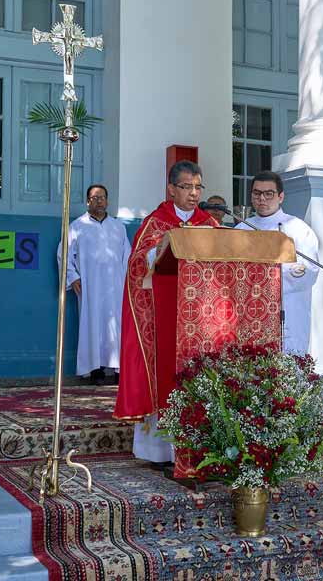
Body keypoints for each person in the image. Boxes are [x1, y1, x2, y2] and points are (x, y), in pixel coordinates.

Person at [114, 160, 218, 463]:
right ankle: (158, 452)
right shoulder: (156, 222)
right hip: (163, 313)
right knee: (165, 373)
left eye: (198, 187)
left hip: (198, 317)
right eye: (186, 186)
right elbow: (137, 265)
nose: (194, 193)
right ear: (171, 189)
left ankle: (200, 450)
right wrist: (158, 249)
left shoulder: (210, 225)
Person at [235, 171, 319, 355]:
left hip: (287, 310)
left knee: (286, 364)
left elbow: (309, 271)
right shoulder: (242, 229)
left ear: (281, 197)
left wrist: (269, 279)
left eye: (269, 194)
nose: (262, 199)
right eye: (257, 193)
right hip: (250, 311)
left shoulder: (298, 229)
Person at [58, 184, 131, 384]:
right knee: (92, 326)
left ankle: (118, 369)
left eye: (102, 197)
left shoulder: (118, 227)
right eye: (94, 198)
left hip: (115, 286)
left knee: (116, 326)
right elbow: (63, 254)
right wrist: (73, 277)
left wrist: (127, 282)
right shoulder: (77, 226)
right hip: (89, 287)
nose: (99, 201)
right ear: (87, 201)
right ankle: (95, 370)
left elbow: (127, 256)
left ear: (107, 201)